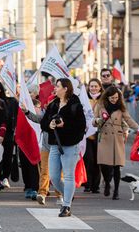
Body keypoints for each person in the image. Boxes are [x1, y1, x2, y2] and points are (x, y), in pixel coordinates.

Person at [40, 78, 86, 217]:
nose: (55, 88)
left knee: (68, 175)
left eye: (58, 86)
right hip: (55, 144)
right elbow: (43, 123)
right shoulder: (53, 104)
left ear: (66, 88)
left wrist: (64, 125)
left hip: (70, 145)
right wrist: (50, 125)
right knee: (54, 177)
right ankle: (68, 194)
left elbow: (81, 126)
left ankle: (66, 206)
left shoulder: (75, 105)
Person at [93, 86, 139, 200]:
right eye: (112, 97)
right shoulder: (100, 105)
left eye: (116, 97)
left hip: (117, 138)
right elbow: (93, 120)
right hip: (104, 137)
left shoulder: (121, 107)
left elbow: (129, 120)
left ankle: (116, 191)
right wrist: (98, 120)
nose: (114, 99)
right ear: (107, 96)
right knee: (104, 165)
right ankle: (107, 182)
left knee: (117, 166)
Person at [83, 78, 103, 194]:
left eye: (96, 86)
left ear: (100, 87)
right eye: (91, 86)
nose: (93, 88)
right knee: (88, 159)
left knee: (97, 160)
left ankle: (96, 185)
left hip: (100, 134)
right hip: (87, 134)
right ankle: (87, 184)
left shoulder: (104, 100)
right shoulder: (84, 99)